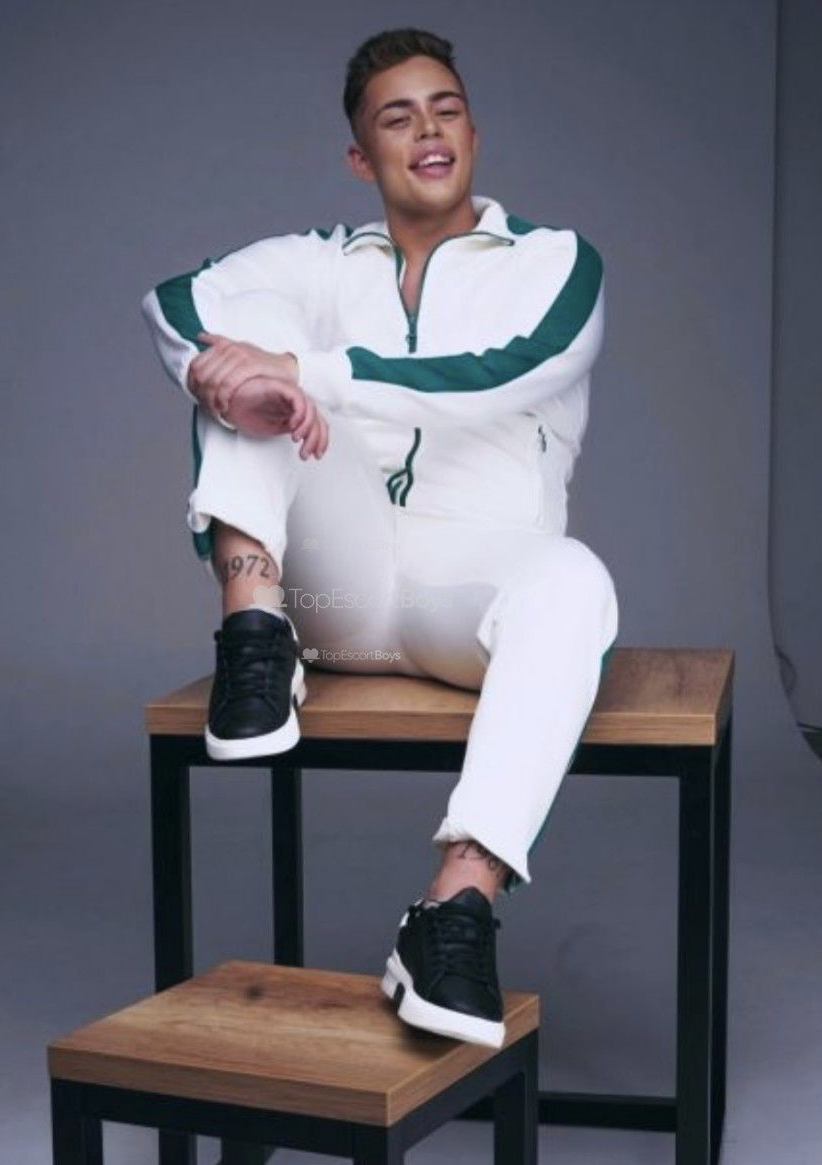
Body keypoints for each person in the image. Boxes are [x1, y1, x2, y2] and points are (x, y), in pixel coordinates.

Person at [141, 28, 618, 1049]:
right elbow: (175, 304)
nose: (427, 131)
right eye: (397, 119)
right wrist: (236, 375)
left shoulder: (554, 262)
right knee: (241, 358)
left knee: (575, 581)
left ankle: (453, 911)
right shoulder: (321, 262)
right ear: (362, 158)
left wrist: (305, 374)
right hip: (334, 598)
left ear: (473, 134)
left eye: (445, 110)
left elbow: (505, 371)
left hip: (468, 595)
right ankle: (254, 634)